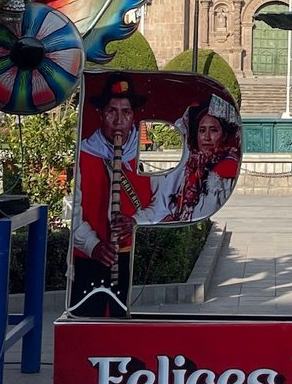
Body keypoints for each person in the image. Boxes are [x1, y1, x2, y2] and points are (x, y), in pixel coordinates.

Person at [71, 77, 149, 315]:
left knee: (120, 324)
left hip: (126, 256)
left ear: (133, 117)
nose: (119, 121)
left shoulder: (143, 156)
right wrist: (93, 245)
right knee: (87, 324)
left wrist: (136, 221)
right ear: (101, 114)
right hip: (88, 259)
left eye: (126, 113)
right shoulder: (83, 154)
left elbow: (161, 203)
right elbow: (70, 210)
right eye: (111, 111)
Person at [148, 94, 241, 223]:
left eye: (213, 130)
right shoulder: (193, 163)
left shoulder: (226, 168)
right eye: (202, 131)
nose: (206, 137)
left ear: (224, 135)